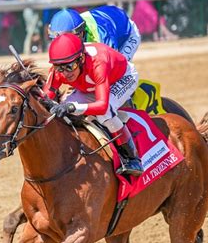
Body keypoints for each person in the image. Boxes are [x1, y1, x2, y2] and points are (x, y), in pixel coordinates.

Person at [44, 33, 144, 176]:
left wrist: (73, 107)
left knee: (105, 114)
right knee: (63, 111)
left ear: (81, 59)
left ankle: (132, 157)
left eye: (70, 66)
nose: (65, 73)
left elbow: (102, 106)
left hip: (122, 78)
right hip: (91, 86)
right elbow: (45, 97)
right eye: (60, 68)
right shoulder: (59, 70)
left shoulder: (98, 63)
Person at [48, 5, 140, 61]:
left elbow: (112, 66)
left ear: (80, 34)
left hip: (128, 33)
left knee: (118, 77)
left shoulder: (102, 37)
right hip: (107, 19)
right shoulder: (76, 27)